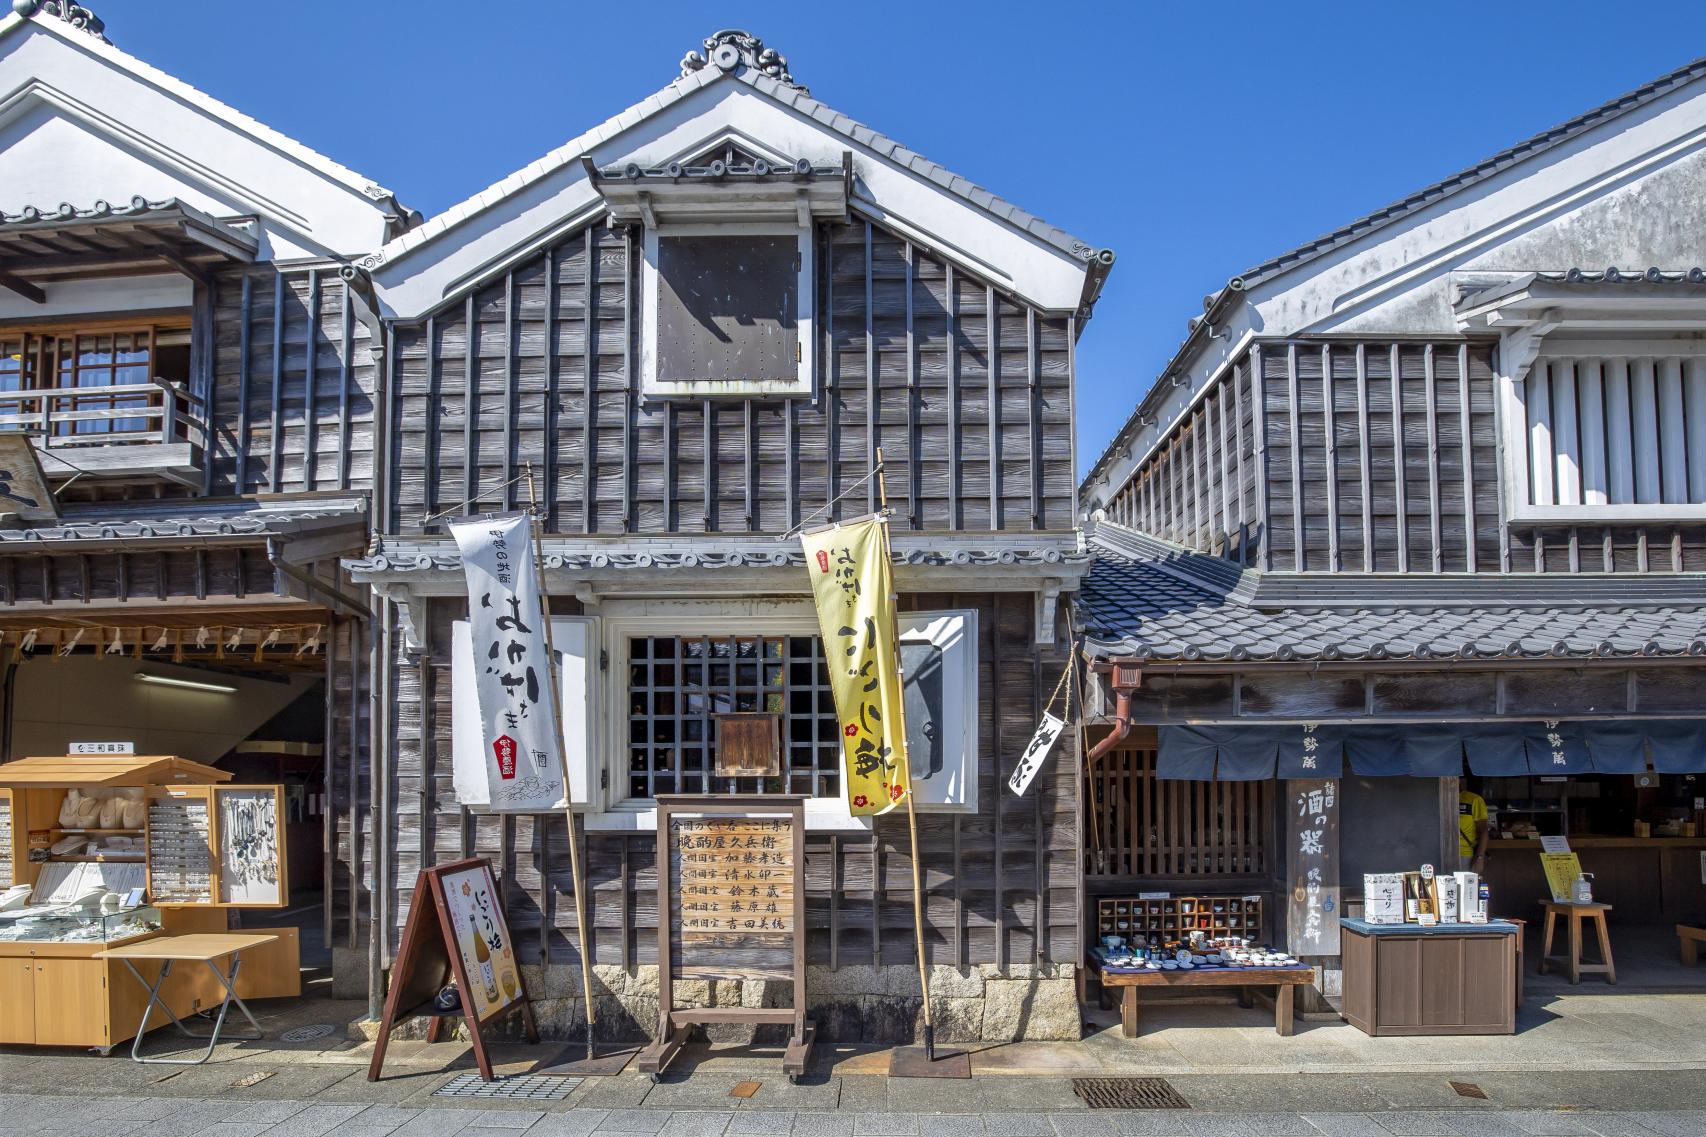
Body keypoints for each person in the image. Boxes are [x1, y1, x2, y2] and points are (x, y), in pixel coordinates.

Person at [1459, 785, 1489, 874]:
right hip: (1441, 853)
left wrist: (1479, 858)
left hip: (1466, 855)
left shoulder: (1474, 799)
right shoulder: (1437, 798)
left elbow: (1483, 831)